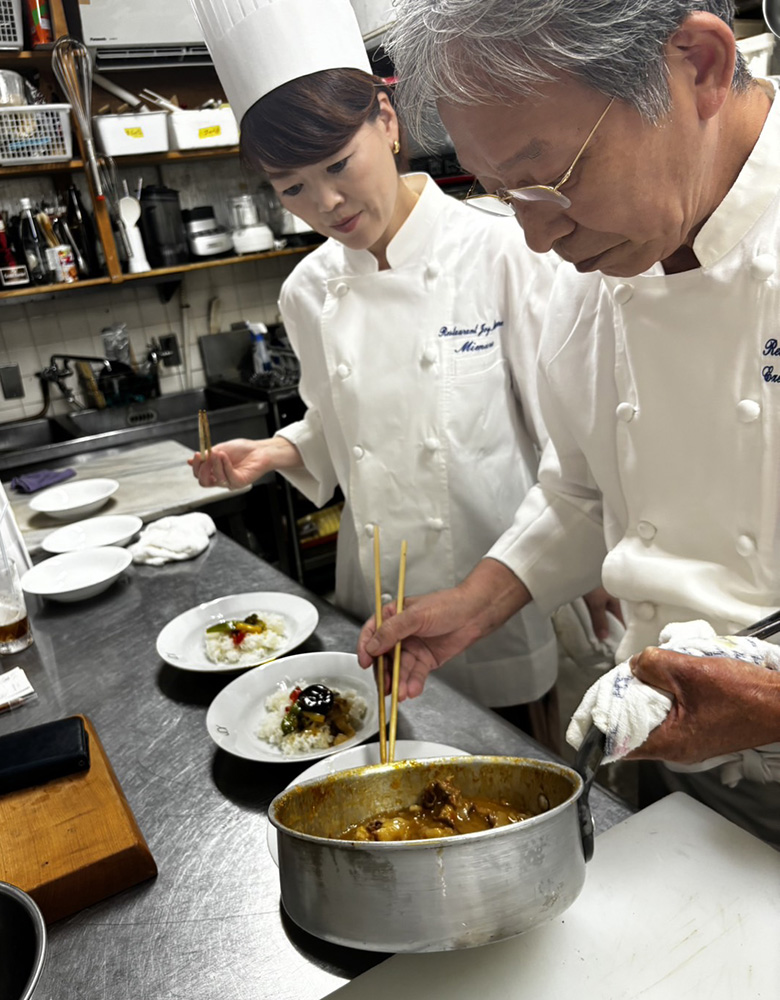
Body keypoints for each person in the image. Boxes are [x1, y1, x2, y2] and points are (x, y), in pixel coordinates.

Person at [358, 0, 780, 843]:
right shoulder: (596, 269)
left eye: (551, 179)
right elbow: (583, 492)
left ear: (697, 66)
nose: (539, 236)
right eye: (499, 192)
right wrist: (477, 603)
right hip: (669, 769)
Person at [188, 0, 619, 746]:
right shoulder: (307, 292)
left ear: (386, 121)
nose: (324, 203)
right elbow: (340, 423)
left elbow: (569, 443)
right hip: (375, 605)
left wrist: (597, 571)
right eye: (291, 188)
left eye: (336, 166)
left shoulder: (503, 251)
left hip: (498, 598)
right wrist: (276, 452)